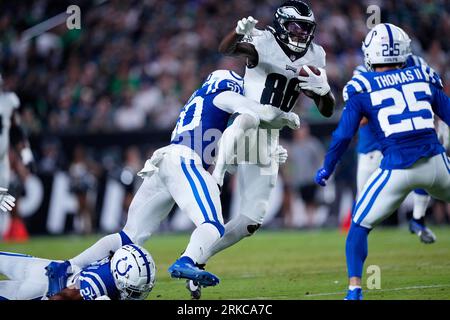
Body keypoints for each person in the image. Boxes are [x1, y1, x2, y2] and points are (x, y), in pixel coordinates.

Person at [44, 69, 300, 297]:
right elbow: (258, 112)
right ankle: (187, 260)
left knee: (128, 236)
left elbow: (220, 139)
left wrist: (263, 151)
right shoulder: (222, 95)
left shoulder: (197, 101)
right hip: (184, 161)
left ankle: (67, 266)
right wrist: (285, 117)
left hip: (164, 161)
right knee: (212, 226)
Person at [187, 0, 335, 299]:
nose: (301, 33)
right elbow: (226, 49)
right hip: (245, 121)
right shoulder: (264, 41)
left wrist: (324, 92)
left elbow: (328, 109)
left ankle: (195, 257)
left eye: (306, 28)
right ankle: (215, 177)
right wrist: (237, 33)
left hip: (269, 138)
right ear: (281, 24)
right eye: (295, 26)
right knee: (248, 117)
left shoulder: (315, 54)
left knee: (251, 221)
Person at [314, 23, 450, 300]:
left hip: (396, 168)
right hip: (436, 163)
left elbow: (342, 135)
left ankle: (354, 290)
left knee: (358, 229)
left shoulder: (362, 86)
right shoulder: (423, 74)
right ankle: (418, 220)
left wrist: (328, 166)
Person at [351, 52, 448, 244]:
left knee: (423, 170)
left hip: (403, 144)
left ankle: (418, 219)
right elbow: (359, 119)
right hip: (372, 148)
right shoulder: (363, 73)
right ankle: (357, 245)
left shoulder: (416, 65)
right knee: (362, 205)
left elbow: (432, 99)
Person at [0, 244, 155, 300]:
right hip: (41, 287)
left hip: (48, 272)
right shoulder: (96, 285)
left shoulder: (116, 263)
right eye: (134, 292)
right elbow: (62, 297)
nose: (138, 296)